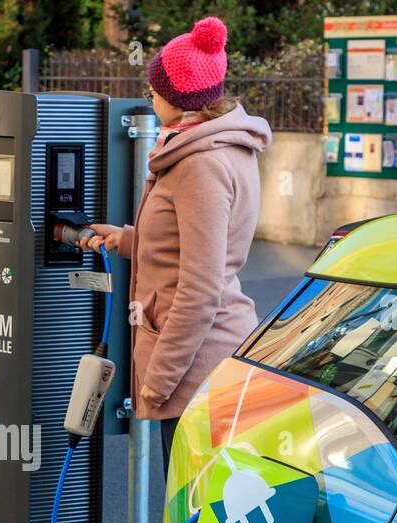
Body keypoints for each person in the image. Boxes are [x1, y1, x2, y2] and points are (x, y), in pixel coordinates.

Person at [81, 17, 271, 480]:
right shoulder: (216, 148)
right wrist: (128, 240)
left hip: (196, 373)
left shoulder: (200, 164)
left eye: (154, 90)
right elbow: (196, 245)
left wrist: (158, 383)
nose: (151, 98)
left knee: (193, 519)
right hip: (203, 363)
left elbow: (201, 286)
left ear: (179, 97)